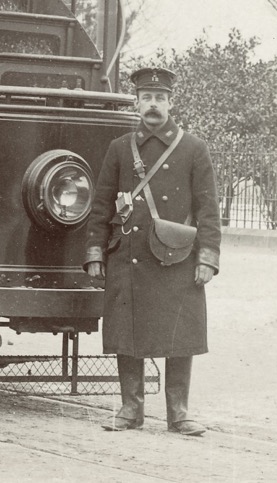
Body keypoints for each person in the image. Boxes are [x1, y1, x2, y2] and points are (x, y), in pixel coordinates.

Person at [83, 67, 221, 436]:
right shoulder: (119, 148)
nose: (154, 105)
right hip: (129, 254)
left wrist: (207, 258)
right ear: (137, 102)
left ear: (171, 102)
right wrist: (95, 252)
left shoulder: (194, 148)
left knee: (180, 334)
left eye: (160, 98)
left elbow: (208, 209)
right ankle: (131, 409)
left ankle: (178, 412)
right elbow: (100, 206)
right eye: (147, 98)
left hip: (179, 256)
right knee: (128, 332)